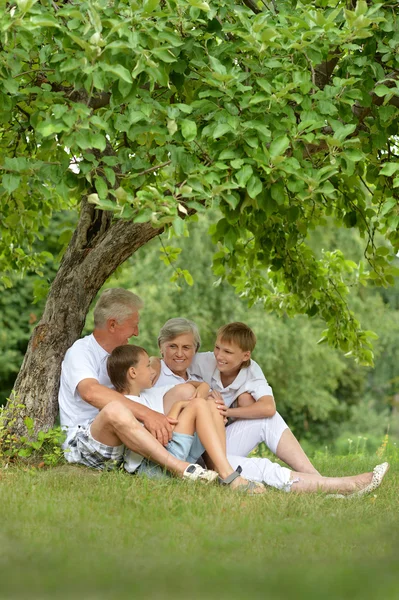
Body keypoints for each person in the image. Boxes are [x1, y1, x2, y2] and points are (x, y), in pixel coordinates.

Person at [151, 318, 389, 495]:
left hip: (215, 440)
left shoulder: (199, 370)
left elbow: (267, 407)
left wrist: (225, 409)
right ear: (161, 347)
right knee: (263, 466)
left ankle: (319, 480)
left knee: (268, 419)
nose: (181, 354)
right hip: (196, 456)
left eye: (187, 348)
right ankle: (342, 485)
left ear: (195, 349)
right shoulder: (153, 372)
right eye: (172, 347)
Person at [58, 288, 219, 482]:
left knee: (184, 391)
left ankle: (216, 468)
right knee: (115, 410)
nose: (137, 332)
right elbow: (90, 392)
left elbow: (142, 380)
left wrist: (196, 385)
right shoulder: (81, 351)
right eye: (133, 325)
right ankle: (179, 468)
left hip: (126, 441)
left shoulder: (123, 355)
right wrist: (147, 414)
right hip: (89, 439)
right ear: (112, 325)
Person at [107, 344, 266, 493]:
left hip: (174, 454)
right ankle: (228, 475)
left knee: (211, 405)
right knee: (197, 405)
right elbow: (159, 438)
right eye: (148, 365)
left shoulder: (147, 394)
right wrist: (178, 407)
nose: (153, 370)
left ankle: (221, 470)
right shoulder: (127, 407)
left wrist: (204, 387)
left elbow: (190, 384)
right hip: (153, 468)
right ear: (133, 373)